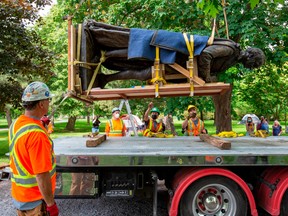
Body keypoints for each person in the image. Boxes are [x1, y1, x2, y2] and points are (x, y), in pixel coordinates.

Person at [79, 21, 265, 88]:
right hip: (177, 52)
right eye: (254, 64)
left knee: (145, 73)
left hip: (179, 59)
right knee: (140, 52)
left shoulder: (232, 57)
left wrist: (210, 75)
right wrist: (206, 77)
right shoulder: (231, 50)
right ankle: (105, 55)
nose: (251, 68)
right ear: (250, 57)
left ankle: (105, 79)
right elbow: (207, 55)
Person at [8, 81, 59, 216]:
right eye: (48, 100)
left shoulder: (16, 124)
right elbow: (41, 175)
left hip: (20, 196)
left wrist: (40, 123)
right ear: (41, 104)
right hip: (35, 199)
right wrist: (51, 204)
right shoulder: (37, 135)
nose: (49, 103)